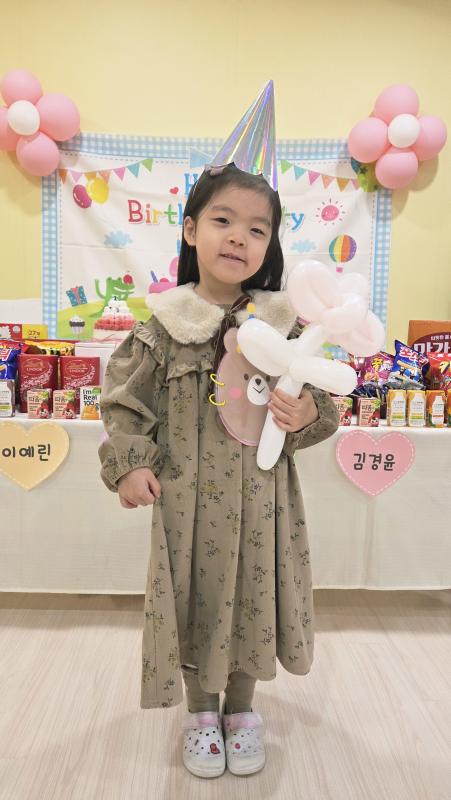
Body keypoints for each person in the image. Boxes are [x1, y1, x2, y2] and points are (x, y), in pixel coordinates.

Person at [99, 83, 339, 779]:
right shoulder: (163, 326)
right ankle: (201, 712)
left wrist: (309, 415)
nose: (239, 236)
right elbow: (123, 402)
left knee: (254, 594)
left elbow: (321, 397)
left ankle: (241, 708)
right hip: (186, 502)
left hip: (262, 504)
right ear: (190, 230)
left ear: (270, 245)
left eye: (257, 229)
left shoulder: (284, 325)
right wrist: (131, 463)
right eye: (223, 220)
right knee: (198, 597)